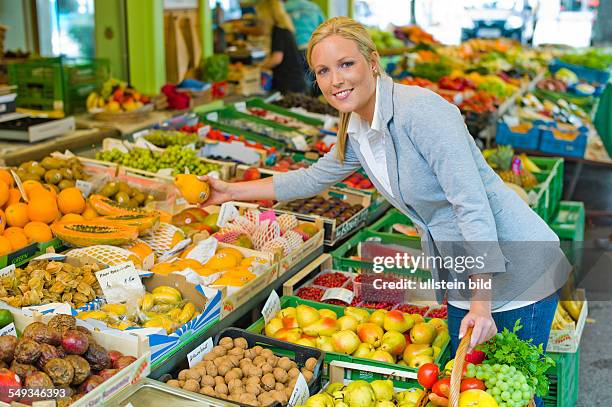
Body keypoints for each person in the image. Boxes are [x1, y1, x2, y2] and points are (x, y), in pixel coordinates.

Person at [200, 17, 570, 405]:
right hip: (467, 274)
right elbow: (310, 179)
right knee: (465, 391)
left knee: (515, 395)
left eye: (346, 64)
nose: (335, 80)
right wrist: (229, 192)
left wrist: (481, 303)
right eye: (323, 71)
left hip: (517, 270)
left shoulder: (422, 112)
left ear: (372, 61)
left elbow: (472, 207)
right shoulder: (358, 128)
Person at [257, 0, 306, 93]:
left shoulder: (277, 31)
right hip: (296, 81)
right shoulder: (285, 28)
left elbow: (276, 59)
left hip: (288, 84)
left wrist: (260, 67)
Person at [283, 0, 326, 92]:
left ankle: (305, 102)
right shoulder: (314, 7)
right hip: (313, 47)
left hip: (295, 49)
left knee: (301, 80)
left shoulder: (285, 8)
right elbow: (324, 27)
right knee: (315, 77)